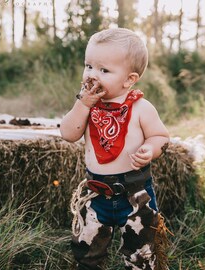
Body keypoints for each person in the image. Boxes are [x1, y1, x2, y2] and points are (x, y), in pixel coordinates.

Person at [60, 27, 171, 270]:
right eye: (89, 66)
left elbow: (161, 136)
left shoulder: (141, 107)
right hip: (96, 192)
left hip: (135, 192)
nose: (92, 75)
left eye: (104, 70)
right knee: (87, 250)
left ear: (129, 79)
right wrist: (83, 104)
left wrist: (150, 149)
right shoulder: (87, 105)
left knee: (141, 251)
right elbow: (68, 133)